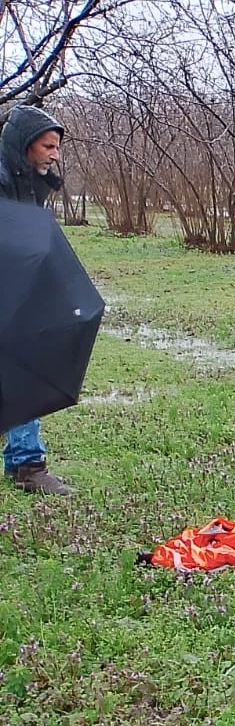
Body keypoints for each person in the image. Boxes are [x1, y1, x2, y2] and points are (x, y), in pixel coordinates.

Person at [0, 105, 71, 494]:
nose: (54, 154)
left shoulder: (28, 181)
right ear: (26, 144)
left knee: (20, 369)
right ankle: (26, 463)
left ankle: (26, 463)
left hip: (15, 289)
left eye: (56, 147)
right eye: (48, 146)